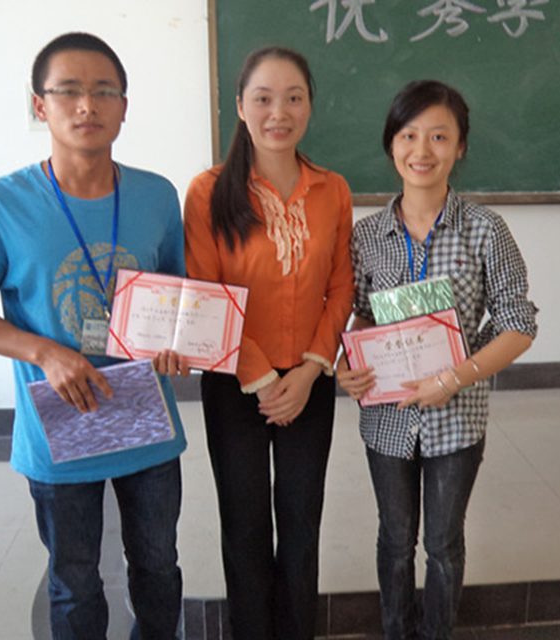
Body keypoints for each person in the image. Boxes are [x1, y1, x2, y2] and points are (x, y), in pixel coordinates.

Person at [0, 32, 188, 640]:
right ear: (39, 105)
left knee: (159, 568)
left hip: (145, 419)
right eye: (69, 91)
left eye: (104, 92)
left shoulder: (157, 195)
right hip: (59, 422)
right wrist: (45, 352)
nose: (87, 106)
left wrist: (179, 343)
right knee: (74, 580)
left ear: (124, 107)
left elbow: (174, 295)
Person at [337, 80, 538, 640]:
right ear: (391, 144)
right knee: (394, 539)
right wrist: (347, 362)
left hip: (457, 417)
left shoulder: (485, 230)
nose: (421, 150)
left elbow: (519, 323)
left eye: (439, 136)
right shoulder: (367, 235)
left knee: (443, 544)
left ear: (460, 147)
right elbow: (359, 317)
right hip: (388, 417)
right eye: (408, 135)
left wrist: (454, 377)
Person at [183, 47, 354, 639]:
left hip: (309, 382)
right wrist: (261, 379)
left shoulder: (332, 189)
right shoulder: (208, 192)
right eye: (263, 98)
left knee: (302, 525)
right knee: (246, 525)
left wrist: (308, 371)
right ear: (240, 106)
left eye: (293, 98)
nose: (278, 112)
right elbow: (206, 293)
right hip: (235, 384)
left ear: (309, 105)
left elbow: (341, 286)